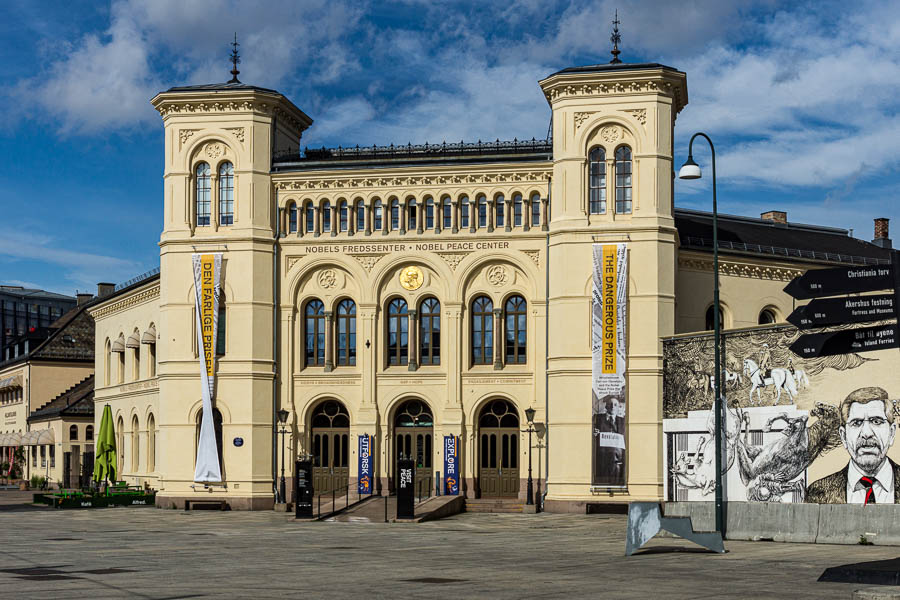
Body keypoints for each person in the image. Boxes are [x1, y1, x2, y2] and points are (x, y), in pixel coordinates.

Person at [806, 387, 899, 504]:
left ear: (891, 433)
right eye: (856, 423)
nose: (866, 433)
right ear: (843, 436)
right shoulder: (818, 493)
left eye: (876, 421)